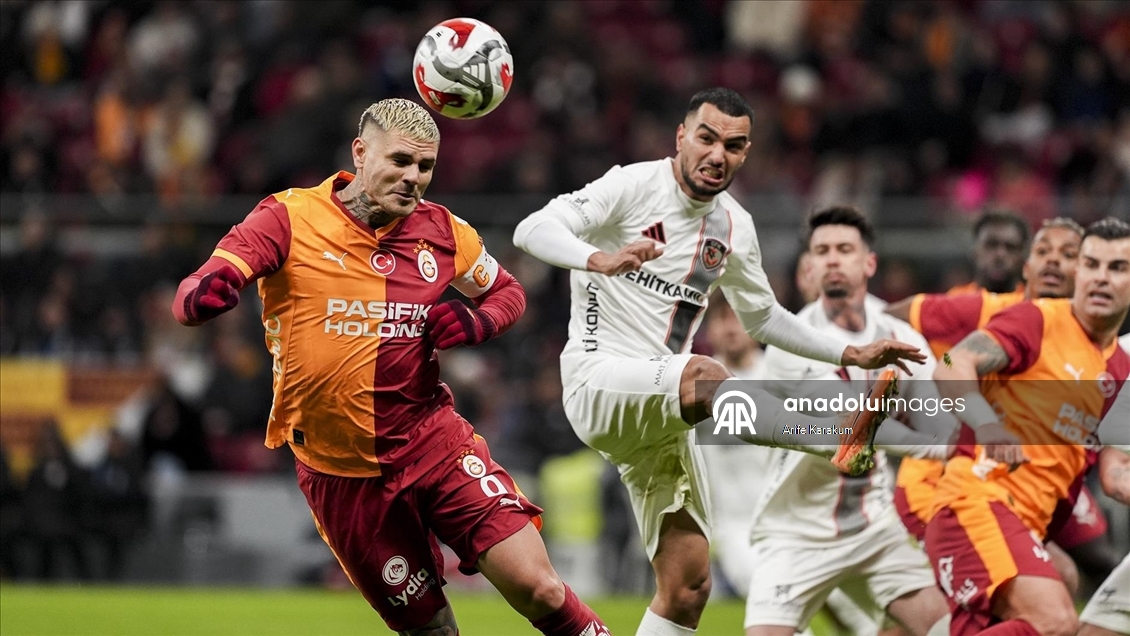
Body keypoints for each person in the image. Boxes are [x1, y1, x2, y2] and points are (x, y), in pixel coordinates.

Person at [172, 99, 610, 636]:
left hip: (434, 445)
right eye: (400, 160)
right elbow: (199, 284)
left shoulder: (443, 231)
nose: (413, 178)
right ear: (360, 153)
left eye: (425, 166)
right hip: (341, 475)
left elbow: (508, 292)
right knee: (432, 631)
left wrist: (480, 321)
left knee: (538, 587)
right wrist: (200, 296)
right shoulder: (288, 217)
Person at [513, 87, 925, 636]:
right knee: (705, 374)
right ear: (681, 137)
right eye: (706, 138)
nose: (716, 154)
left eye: (732, 146)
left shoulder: (733, 226)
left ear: (745, 153)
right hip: (599, 379)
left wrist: (849, 352)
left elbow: (765, 319)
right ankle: (835, 438)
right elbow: (532, 228)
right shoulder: (631, 185)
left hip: (662, 414)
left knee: (687, 587)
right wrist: (599, 259)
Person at [886, 218, 1120, 598]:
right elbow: (935, 352)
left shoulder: (1106, 353)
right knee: (1043, 597)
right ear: (1027, 268)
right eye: (1043, 252)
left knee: (1071, 577)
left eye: (1068, 255)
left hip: (1041, 483)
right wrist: (899, 386)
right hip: (955, 479)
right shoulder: (998, 313)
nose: (1053, 262)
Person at [744, 207, 952, 636]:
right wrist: (945, 447)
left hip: (873, 525)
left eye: (844, 249)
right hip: (796, 531)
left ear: (869, 263)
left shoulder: (901, 337)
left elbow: (939, 417)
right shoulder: (789, 344)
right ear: (810, 266)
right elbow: (854, 428)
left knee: (946, 627)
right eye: (821, 251)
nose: (833, 259)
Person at [945, 210, 1029, 296]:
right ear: (975, 252)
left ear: (1022, 257)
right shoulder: (956, 298)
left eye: (1011, 247)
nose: (1000, 255)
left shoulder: (1031, 300)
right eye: (991, 245)